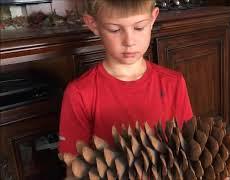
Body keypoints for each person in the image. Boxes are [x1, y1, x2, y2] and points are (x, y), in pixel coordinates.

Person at [58, 0, 193, 157]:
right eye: (114, 30)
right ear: (93, 24)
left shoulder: (173, 83)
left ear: (153, 18)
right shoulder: (79, 93)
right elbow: (73, 163)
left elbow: (187, 147)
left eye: (139, 27)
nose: (129, 42)